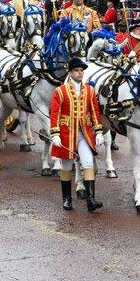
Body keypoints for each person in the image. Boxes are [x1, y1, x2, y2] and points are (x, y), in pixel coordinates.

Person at [50, 57, 105, 212]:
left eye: (81, 71)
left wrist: (98, 132)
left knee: (88, 163)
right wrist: (55, 134)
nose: (80, 73)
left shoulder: (90, 90)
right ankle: (67, 199)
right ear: (70, 73)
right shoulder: (60, 91)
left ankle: (91, 200)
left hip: (84, 134)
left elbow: (94, 112)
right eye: (76, 70)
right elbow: (55, 114)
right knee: (66, 166)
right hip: (66, 134)